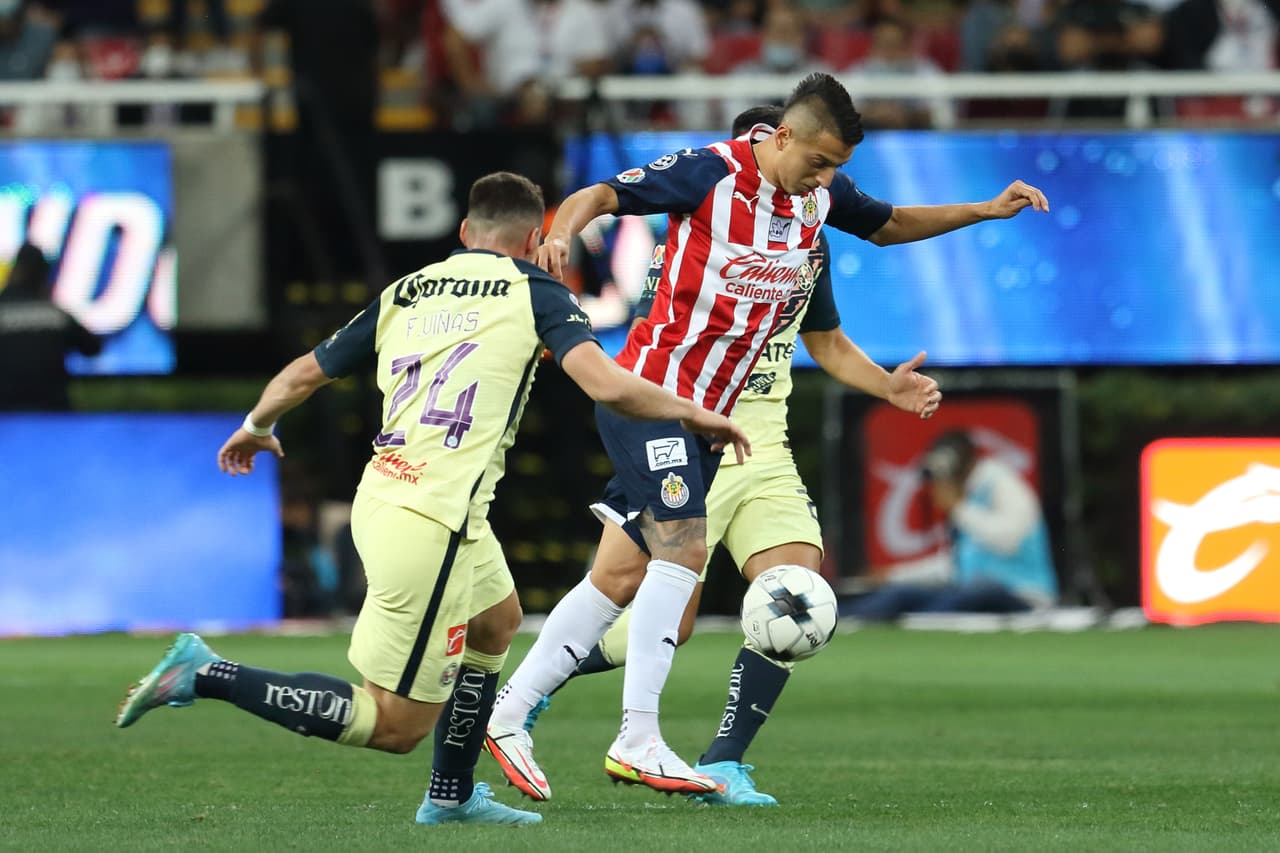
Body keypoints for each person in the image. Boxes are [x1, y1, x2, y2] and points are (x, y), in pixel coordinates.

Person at [114, 172, 750, 828]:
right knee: (393, 724)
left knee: (498, 620)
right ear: (535, 239)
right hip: (432, 522)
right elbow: (607, 384)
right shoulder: (539, 292)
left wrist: (257, 425)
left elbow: (307, 370)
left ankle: (451, 793)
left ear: (464, 233)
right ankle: (206, 672)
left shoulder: (407, 291)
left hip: (398, 496)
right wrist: (694, 413)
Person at [484, 72, 1049, 802]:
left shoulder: (816, 204)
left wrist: (984, 210)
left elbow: (888, 223)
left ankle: (508, 712)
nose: (828, 178)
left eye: (837, 168)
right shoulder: (707, 173)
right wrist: (562, 231)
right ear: (779, 137)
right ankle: (638, 737)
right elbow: (601, 195)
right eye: (819, 161)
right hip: (653, 397)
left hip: (716, 426)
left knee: (619, 578)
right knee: (683, 546)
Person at [841, 430, 1059, 620]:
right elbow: (956, 565)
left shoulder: (1000, 483)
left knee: (976, 591)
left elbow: (1009, 541)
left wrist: (958, 508)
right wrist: (894, 575)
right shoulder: (969, 499)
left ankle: (926, 627)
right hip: (971, 590)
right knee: (899, 594)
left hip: (1024, 595)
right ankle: (835, 619)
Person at [0, 242, 102, 410]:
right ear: (43, 275)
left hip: (5, 414)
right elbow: (93, 348)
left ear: (14, 271)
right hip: (52, 413)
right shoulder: (56, 315)